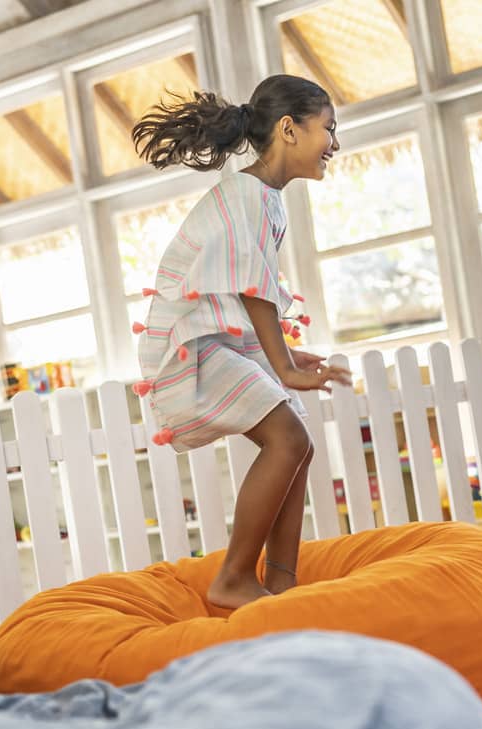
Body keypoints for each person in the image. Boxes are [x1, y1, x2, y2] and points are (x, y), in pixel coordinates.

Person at [130, 75, 352, 609]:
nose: (336, 145)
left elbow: (244, 289)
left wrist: (284, 354)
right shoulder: (249, 194)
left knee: (296, 443)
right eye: (329, 129)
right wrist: (284, 366)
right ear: (288, 129)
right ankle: (232, 577)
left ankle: (279, 580)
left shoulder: (265, 197)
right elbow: (253, 287)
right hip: (194, 347)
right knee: (289, 440)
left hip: (220, 340)